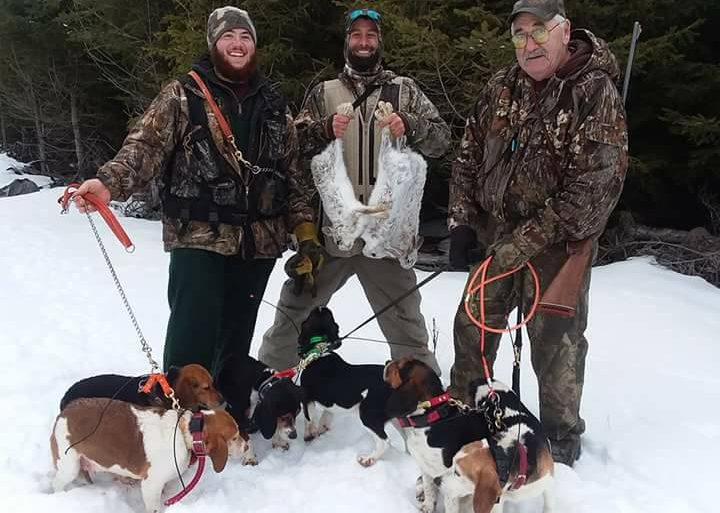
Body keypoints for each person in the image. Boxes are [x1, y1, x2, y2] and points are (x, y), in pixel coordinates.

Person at [73, 7, 314, 384]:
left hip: (258, 244)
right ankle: (180, 419)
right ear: (213, 43)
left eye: (245, 37)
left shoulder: (273, 103)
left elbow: (293, 175)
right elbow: (145, 147)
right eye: (228, 37)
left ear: (254, 45)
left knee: (236, 336)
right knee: (192, 336)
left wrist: (306, 235)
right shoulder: (183, 94)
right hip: (198, 236)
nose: (237, 44)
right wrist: (107, 183)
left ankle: (227, 416)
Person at [448, 0, 628, 466]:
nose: (528, 45)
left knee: (556, 346)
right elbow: (467, 156)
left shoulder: (595, 92)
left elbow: (592, 193)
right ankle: (466, 422)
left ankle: (559, 446)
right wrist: (462, 223)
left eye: (539, 32)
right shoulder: (501, 86)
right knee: (471, 325)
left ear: (564, 31)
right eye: (519, 35)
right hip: (496, 238)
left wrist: (518, 245)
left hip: (558, 248)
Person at [257, 8, 450, 373]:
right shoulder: (323, 93)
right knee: (293, 310)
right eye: (356, 35)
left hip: (387, 236)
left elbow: (442, 140)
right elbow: (292, 150)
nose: (364, 42)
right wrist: (325, 128)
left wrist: (409, 123)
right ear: (347, 42)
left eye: (371, 35)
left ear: (380, 42)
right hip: (333, 233)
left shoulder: (405, 91)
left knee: (406, 323)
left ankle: (425, 397)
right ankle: (267, 381)